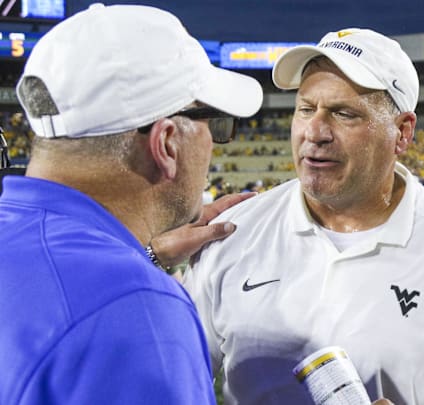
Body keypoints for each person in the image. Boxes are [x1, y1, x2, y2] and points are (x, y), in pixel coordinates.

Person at [184, 28, 424, 404]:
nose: (315, 132)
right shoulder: (235, 230)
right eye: (305, 109)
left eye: (344, 114)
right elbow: (169, 379)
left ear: (401, 133)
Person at [0, 4, 265, 404]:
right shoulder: (137, 308)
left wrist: (141, 257)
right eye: (217, 124)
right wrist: (131, 281)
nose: (214, 143)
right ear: (167, 143)